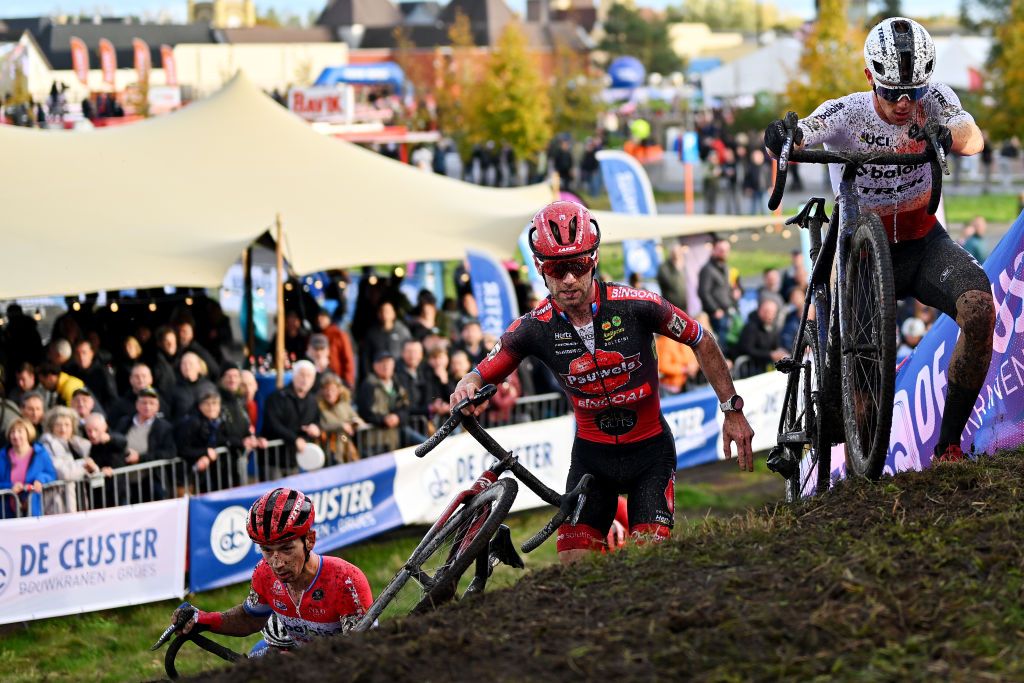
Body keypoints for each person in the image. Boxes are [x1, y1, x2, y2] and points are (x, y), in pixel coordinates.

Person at [450, 201, 754, 563]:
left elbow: (701, 339)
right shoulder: (535, 327)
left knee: (649, 565)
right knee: (572, 572)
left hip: (650, 453)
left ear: (593, 260)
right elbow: (483, 371)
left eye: (577, 266)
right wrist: (466, 386)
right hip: (592, 462)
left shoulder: (637, 306)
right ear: (539, 268)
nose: (568, 279)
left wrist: (732, 409)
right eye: (556, 268)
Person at [763, 16, 994, 463]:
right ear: (871, 77)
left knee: (980, 310)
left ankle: (948, 446)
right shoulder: (847, 111)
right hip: (860, 256)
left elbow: (974, 137)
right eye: (891, 93)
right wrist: (781, 137)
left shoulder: (937, 100)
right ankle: (855, 475)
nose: (905, 104)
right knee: (861, 384)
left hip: (923, 243)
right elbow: (799, 134)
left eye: (915, 93)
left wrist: (950, 133)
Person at [167, 487, 373, 654]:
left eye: (286, 549)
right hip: (294, 655)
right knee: (258, 655)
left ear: (309, 540)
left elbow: (359, 654)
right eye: (266, 550)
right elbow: (249, 619)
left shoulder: (345, 580)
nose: (276, 563)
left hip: (337, 665)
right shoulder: (264, 573)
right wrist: (202, 619)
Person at [114, 387, 176, 501]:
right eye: (144, 402)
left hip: (151, 482)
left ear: (157, 407)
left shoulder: (164, 427)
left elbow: (169, 452)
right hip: (124, 481)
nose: (147, 406)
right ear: (137, 404)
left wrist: (140, 458)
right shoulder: (124, 422)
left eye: (151, 403)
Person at [261, 360, 321, 468]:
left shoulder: (313, 400)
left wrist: (316, 428)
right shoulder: (278, 397)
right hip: (274, 460)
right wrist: (294, 439)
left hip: (297, 459)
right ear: (294, 375)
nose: (305, 379)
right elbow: (273, 424)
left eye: (309, 376)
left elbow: (317, 420)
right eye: (302, 375)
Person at [0, 418, 57, 517]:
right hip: (7, 512)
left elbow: (51, 474)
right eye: (12, 432)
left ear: (28, 433)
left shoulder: (40, 453)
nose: (16, 435)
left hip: (34, 509)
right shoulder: (2, 456)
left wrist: (40, 480)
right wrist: (10, 487)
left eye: (20, 431)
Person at [318, 372, 365, 463]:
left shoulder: (344, 405)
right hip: (330, 449)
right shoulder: (319, 407)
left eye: (332, 389)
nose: (329, 393)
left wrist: (354, 424)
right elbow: (322, 425)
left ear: (339, 390)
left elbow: (355, 418)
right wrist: (341, 425)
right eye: (327, 389)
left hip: (346, 442)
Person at [698, 238, 737, 343]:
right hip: (715, 315)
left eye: (726, 250)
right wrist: (714, 310)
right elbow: (703, 292)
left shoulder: (725, 268)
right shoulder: (707, 269)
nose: (723, 253)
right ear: (714, 250)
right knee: (718, 346)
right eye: (720, 250)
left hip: (727, 312)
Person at [656, 239, 689, 311]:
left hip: (688, 305)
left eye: (678, 252)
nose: (677, 254)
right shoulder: (664, 267)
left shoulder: (686, 264)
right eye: (674, 252)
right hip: (673, 306)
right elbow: (670, 284)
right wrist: (676, 269)